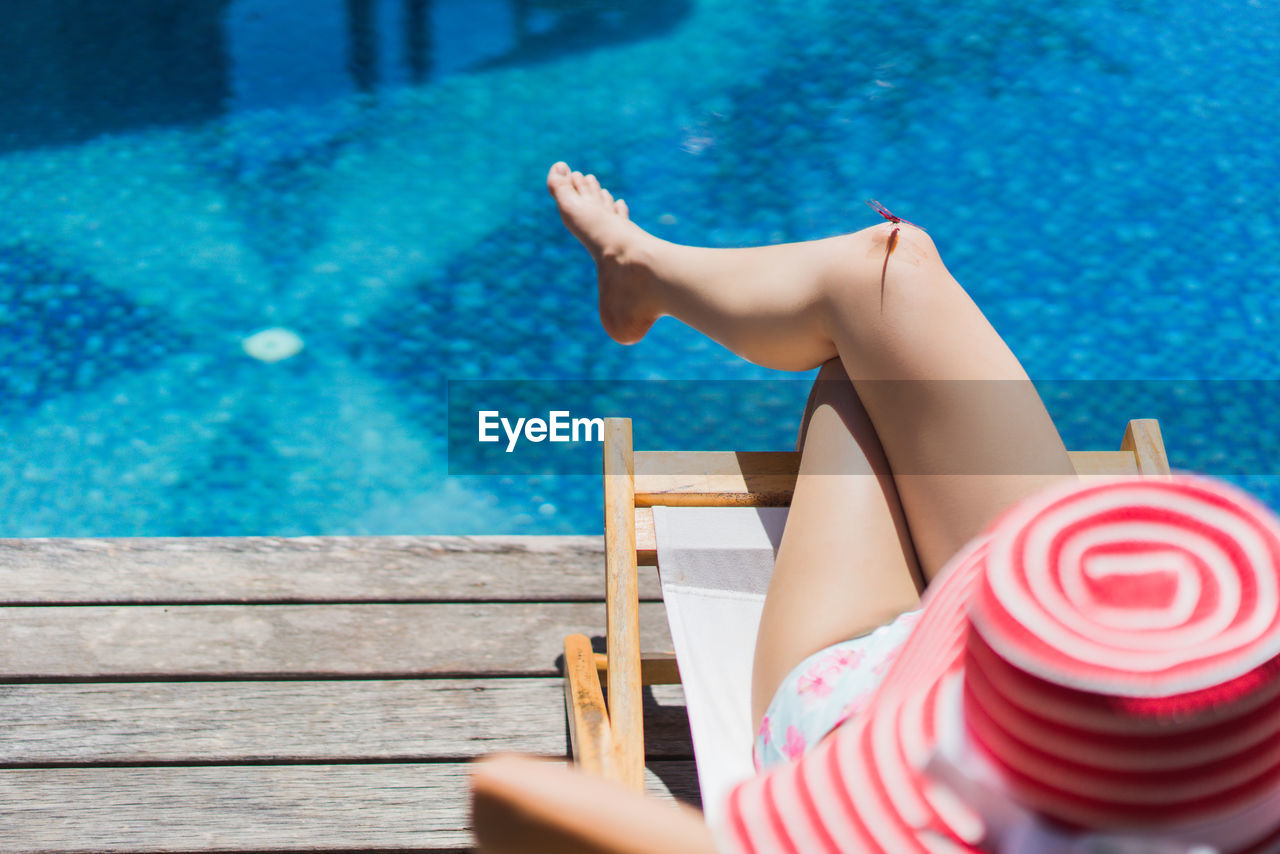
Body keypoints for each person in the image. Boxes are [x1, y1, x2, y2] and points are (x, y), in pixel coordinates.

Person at [468, 165, 1280, 853]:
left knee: (874, 296)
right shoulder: (1204, 736)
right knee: (889, 279)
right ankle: (642, 271)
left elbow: (501, 796)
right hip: (1071, 666)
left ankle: (639, 268)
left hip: (880, 700)